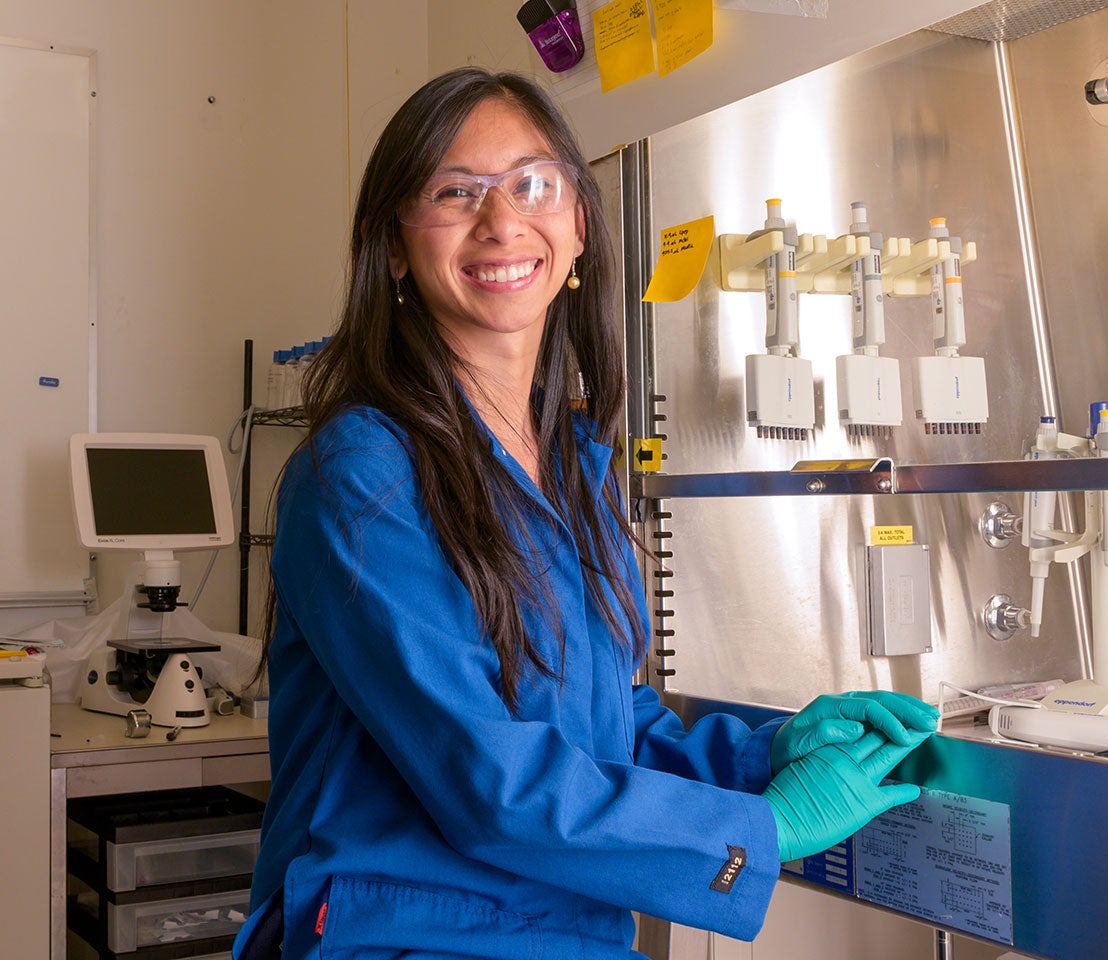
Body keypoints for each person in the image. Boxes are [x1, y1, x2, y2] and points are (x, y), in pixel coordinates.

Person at [233, 67, 938, 960]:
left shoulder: (573, 468)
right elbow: (491, 781)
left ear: (577, 227)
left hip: (568, 931)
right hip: (403, 941)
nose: (502, 221)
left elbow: (613, 726)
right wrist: (761, 832)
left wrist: (765, 755)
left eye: (533, 184)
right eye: (456, 193)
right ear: (396, 247)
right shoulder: (365, 470)